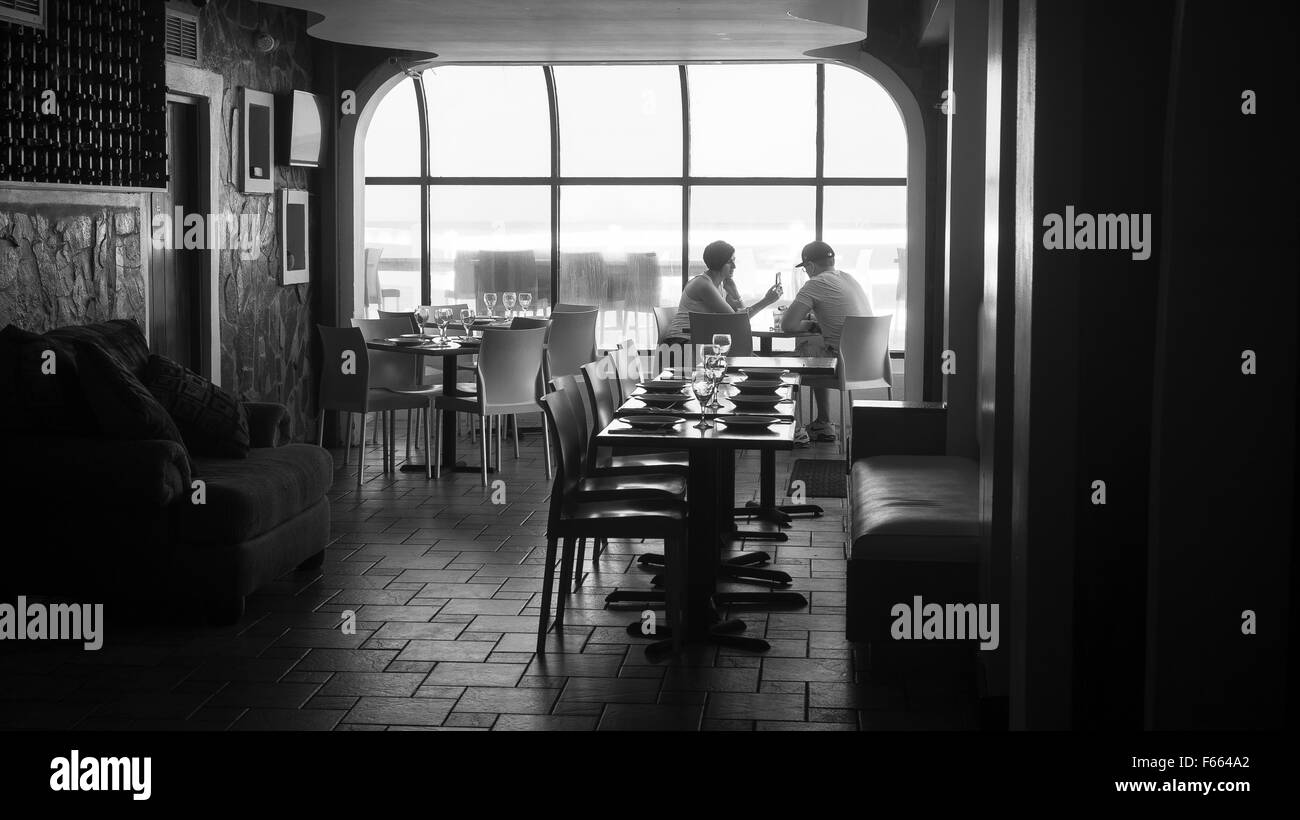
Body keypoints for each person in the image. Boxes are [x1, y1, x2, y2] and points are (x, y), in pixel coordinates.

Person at [780, 240, 874, 444]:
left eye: (805, 269)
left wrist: (809, 326)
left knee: (796, 356)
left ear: (810, 266)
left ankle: (791, 428)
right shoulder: (849, 278)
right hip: (870, 362)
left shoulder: (816, 282)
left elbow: (787, 325)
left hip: (841, 362)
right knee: (814, 349)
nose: (806, 273)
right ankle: (823, 423)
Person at [662, 240, 783, 342]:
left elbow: (741, 319)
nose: (734, 266)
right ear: (718, 262)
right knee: (746, 356)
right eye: (730, 262)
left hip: (698, 341)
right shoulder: (704, 285)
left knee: (749, 357)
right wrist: (767, 301)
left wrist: (736, 294)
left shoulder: (721, 285)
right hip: (680, 343)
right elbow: (735, 320)